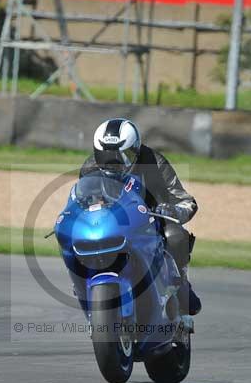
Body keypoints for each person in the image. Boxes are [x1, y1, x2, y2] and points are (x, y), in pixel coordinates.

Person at [80, 118, 201, 316]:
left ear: (135, 149)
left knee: (175, 236)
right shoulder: (90, 167)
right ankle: (85, 286)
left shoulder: (154, 162)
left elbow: (186, 201)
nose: (113, 162)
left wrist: (171, 211)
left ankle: (179, 285)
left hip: (149, 224)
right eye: (105, 155)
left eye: (122, 155)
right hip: (109, 225)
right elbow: (81, 199)